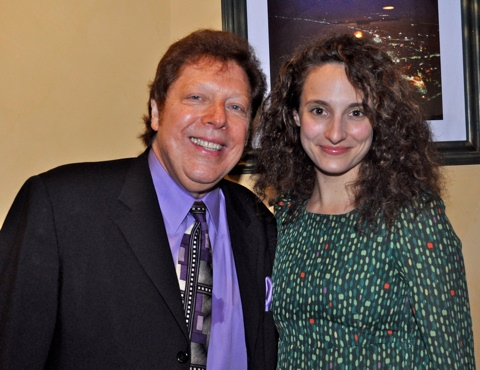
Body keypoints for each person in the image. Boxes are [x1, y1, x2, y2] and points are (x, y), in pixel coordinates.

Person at [0, 29, 277, 370]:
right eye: (196, 98)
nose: (217, 118)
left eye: (236, 107)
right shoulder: (59, 208)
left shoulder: (260, 223)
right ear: (157, 111)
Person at [253, 33, 475, 369]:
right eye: (319, 110)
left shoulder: (412, 217)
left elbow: (452, 358)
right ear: (295, 116)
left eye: (356, 112)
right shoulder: (286, 217)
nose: (336, 132)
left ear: (379, 120)